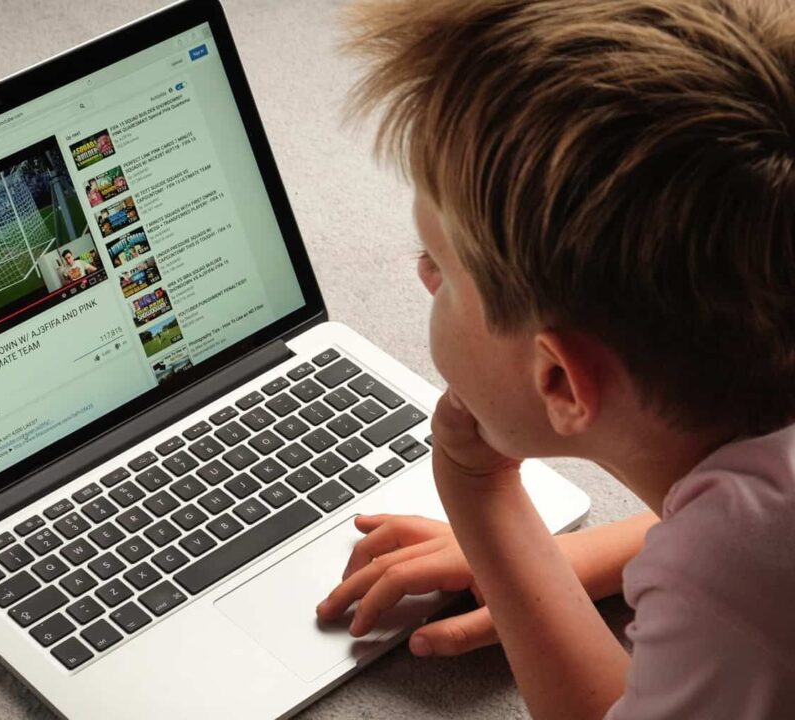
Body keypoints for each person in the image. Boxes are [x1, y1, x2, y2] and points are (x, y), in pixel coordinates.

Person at [316, 1, 795, 717]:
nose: (423, 281)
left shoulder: (736, 588)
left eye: (438, 265)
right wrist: (576, 562)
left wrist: (484, 502)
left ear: (559, 381)